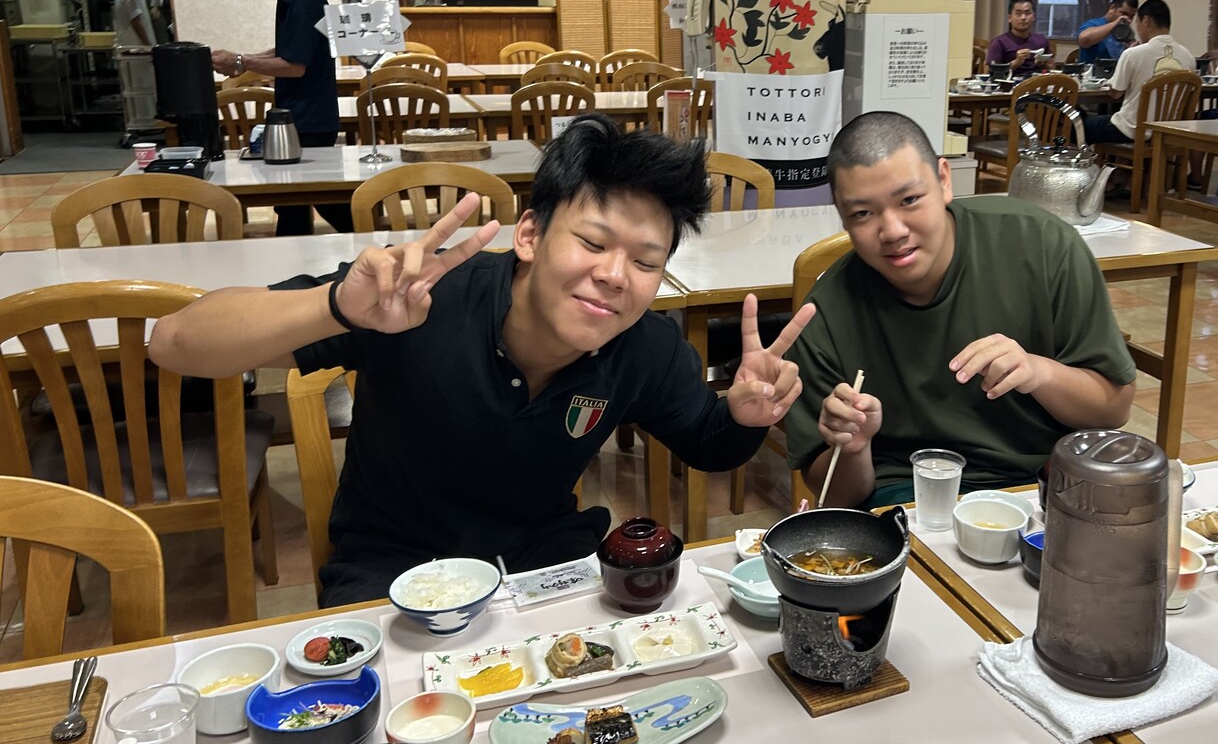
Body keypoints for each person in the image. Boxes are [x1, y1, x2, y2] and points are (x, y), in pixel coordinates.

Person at [149, 115, 815, 606]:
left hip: (547, 569)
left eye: (645, 261)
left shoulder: (642, 345)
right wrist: (336, 306)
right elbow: (173, 341)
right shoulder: (421, 298)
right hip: (394, 570)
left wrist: (744, 414)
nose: (615, 275)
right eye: (592, 242)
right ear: (529, 234)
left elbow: (707, 442)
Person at [786, 112, 1135, 509]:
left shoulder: (1042, 244)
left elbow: (1114, 409)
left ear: (944, 180)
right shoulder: (827, 311)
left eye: (910, 200)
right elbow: (835, 497)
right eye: (862, 213)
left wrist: (1037, 372)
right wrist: (853, 447)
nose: (893, 231)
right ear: (841, 215)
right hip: (906, 496)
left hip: (1041, 485)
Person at [208, 0, 351, 236]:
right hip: (298, 115)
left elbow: (295, 66)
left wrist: (241, 61)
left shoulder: (307, 0)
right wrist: (243, 59)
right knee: (296, 203)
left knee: (310, 201)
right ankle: (369, 241)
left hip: (310, 119)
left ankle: (376, 241)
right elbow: (290, 50)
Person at [1079, 0, 1196, 145]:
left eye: (1137, 22)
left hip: (1131, 130)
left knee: (1076, 127)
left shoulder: (1133, 54)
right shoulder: (1188, 57)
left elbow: (1115, 94)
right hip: (1168, 132)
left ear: (1145, 20)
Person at [985, 0, 1054, 75]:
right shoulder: (999, 42)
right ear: (1009, 18)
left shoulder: (1041, 40)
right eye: (1018, 14)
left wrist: (1042, 64)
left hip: (1038, 80)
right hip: (1010, 81)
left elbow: (1052, 68)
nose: (1023, 18)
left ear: (1033, 17)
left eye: (1027, 13)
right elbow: (989, 72)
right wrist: (1017, 62)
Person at [1074, 0, 1139, 66]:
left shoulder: (1125, 32)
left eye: (1131, 16)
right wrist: (1115, 23)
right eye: (1124, 14)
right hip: (1091, 71)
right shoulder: (1094, 24)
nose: (1129, 20)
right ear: (1112, 8)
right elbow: (1083, 39)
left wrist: (1130, 51)